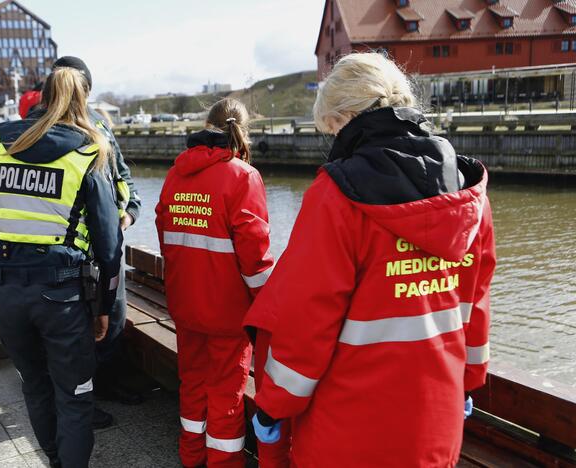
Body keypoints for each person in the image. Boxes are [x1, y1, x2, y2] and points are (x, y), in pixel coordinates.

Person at [244, 52, 496, 467]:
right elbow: (475, 308)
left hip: (348, 426)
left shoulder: (336, 197)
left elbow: (307, 321)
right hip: (436, 420)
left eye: (332, 128)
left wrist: (274, 403)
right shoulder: (468, 197)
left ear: (346, 118)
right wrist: (467, 381)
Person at [0, 66, 123, 468]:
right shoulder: (88, 150)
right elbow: (109, 245)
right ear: (83, 100)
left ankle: (56, 461)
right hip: (61, 294)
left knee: (36, 388)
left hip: (7, 289)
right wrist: (105, 307)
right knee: (75, 397)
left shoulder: (0, 144)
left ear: (41, 95)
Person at [155, 97, 274, 468]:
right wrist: (268, 306)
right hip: (227, 312)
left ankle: (191, 457)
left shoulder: (176, 174)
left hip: (185, 304)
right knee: (227, 394)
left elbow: (165, 235)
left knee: (192, 384)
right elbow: (256, 259)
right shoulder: (243, 177)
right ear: (242, 132)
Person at [34, 56, 143, 430]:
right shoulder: (34, 129)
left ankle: (105, 385)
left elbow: (122, 177)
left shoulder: (99, 125)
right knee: (74, 332)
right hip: (65, 251)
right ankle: (80, 398)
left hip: (105, 243)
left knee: (112, 319)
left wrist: (127, 214)